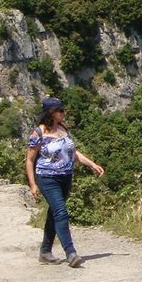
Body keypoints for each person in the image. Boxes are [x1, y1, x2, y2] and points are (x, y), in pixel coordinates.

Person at [25, 96, 104, 268]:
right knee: (61, 212)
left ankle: (45, 251)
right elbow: (30, 160)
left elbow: (73, 153)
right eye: (60, 110)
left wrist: (92, 164)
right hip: (47, 178)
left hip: (65, 177)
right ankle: (71, 252)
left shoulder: (63, 129)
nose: (63, 113)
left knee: (55, 213)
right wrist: (33, 184)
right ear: (51, 113)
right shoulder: (39, 133)